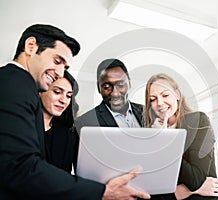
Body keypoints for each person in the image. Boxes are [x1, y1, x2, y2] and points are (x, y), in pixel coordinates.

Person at [0, 24, 150, 200]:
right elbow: (21, 167)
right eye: (57, 61)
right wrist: (102, 192)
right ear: (31, 46)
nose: (59, 73)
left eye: (65, 67)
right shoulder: (14, 83)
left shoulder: (20, 85)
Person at [144, 73, 218, 200]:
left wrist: (165, 141)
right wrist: (178, 193)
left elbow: (196, 180)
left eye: (165, 95)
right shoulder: (151, 136)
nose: (159, 102)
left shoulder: (198, 121)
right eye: (153, 99)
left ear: (177, 95)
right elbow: (151, 189)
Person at [76, 58, 143, 129]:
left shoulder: (149, 112)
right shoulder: (84, 122)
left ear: (129, 83)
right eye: (107, 87)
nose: (115, 94)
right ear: (99, 88)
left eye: (120, 85)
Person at [40, 70, 79, 173]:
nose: (63, 100)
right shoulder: (21, 128)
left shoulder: (68, 137)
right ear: (40, 91)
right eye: (57, 92)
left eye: (68, 96)